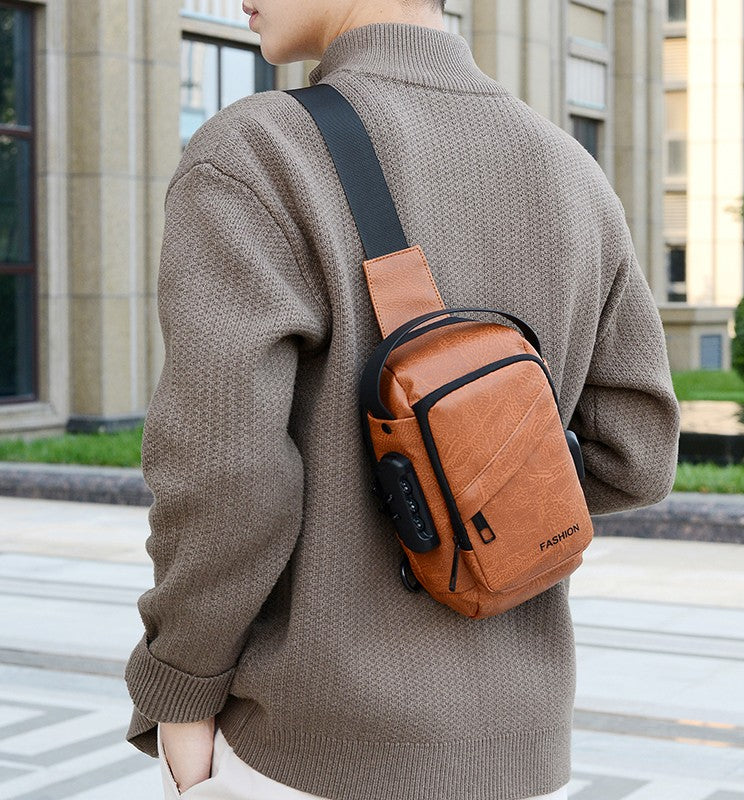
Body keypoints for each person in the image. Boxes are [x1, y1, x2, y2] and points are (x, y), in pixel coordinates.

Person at [123, 0, 681, 798]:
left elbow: (227, 479)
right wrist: (479, 493)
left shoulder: (260, 151)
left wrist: (178, 688)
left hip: (310, 750)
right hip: (526, 754)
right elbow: (638, 456)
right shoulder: (569, 169)